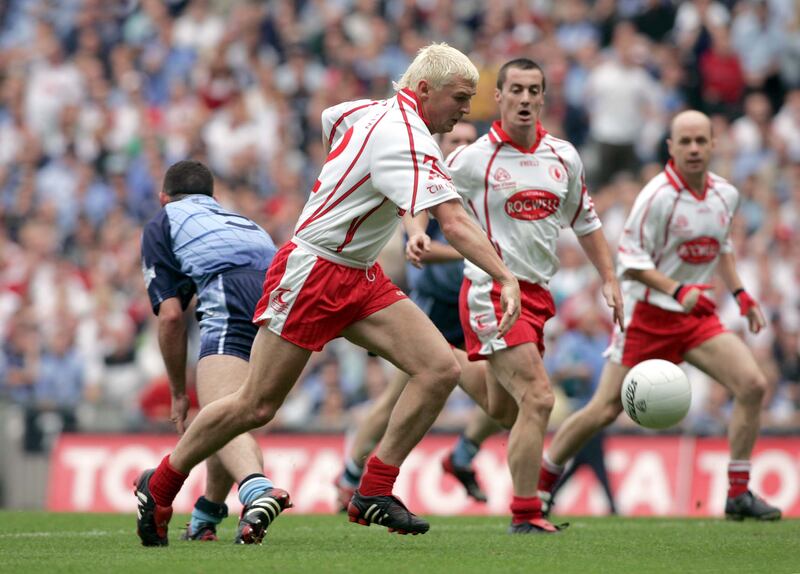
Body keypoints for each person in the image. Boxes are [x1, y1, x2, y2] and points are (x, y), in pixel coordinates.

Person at [134, 43, 521, 546]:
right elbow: (454, 222)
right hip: (313, 271)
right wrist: (504, 274)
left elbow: (328, 118)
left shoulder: (362, 109)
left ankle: (372, 491)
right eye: (461, 98)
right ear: (425, 90)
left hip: (357, 272)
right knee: (255, 406)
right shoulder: (410, 139)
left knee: (438, 369)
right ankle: (159, 485)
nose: (467, 109)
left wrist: (344, 189)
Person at [538, 110, 782, 522]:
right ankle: (541, 488)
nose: (692, 148)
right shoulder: (657, 197)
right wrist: (675, 288)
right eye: (684, 141)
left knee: (753, 384)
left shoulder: (726, 194)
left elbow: (720, 247)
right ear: (670, 147)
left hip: (694, 316)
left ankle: (738, 494)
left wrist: (741, 293)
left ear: (712, 146)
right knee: (603, 410)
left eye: (700, 141)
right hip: (648, 314)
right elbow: (629, 261)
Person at [431, 58, 624, 533]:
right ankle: (527, 513)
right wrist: (415, 232)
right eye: (514, 89)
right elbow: (424, 193)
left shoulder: (564, 156)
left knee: (505, 408)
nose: (523, 98)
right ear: (498, 97)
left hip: (538, 295)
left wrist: (609, 277)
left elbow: (588, 222)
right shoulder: (472, 158)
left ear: (543, 98)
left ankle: (443, 360)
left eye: (532, 90)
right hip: (491, 291)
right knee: (539, 398)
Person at [334, 121, 500, 510]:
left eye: (467, 141)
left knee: (501, 400)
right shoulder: (431, 185)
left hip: (472, 313)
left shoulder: (480, 186)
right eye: (454, 140)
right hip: (433, 316)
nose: (461, 146)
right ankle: (353, 477)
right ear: (440, 147)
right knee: (397, 400)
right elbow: (418, 247)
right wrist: (474, 250)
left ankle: (458, 457)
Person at [139, 160, 279, 543]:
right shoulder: (244, 222)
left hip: (229, 293)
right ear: (213, 198)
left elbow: (170, 317)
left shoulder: (165, 219)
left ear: (164, 197)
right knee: (233, 413)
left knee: (221, 406)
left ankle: (257, 490)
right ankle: (206, 515)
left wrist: (178, 392)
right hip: (278, 302)